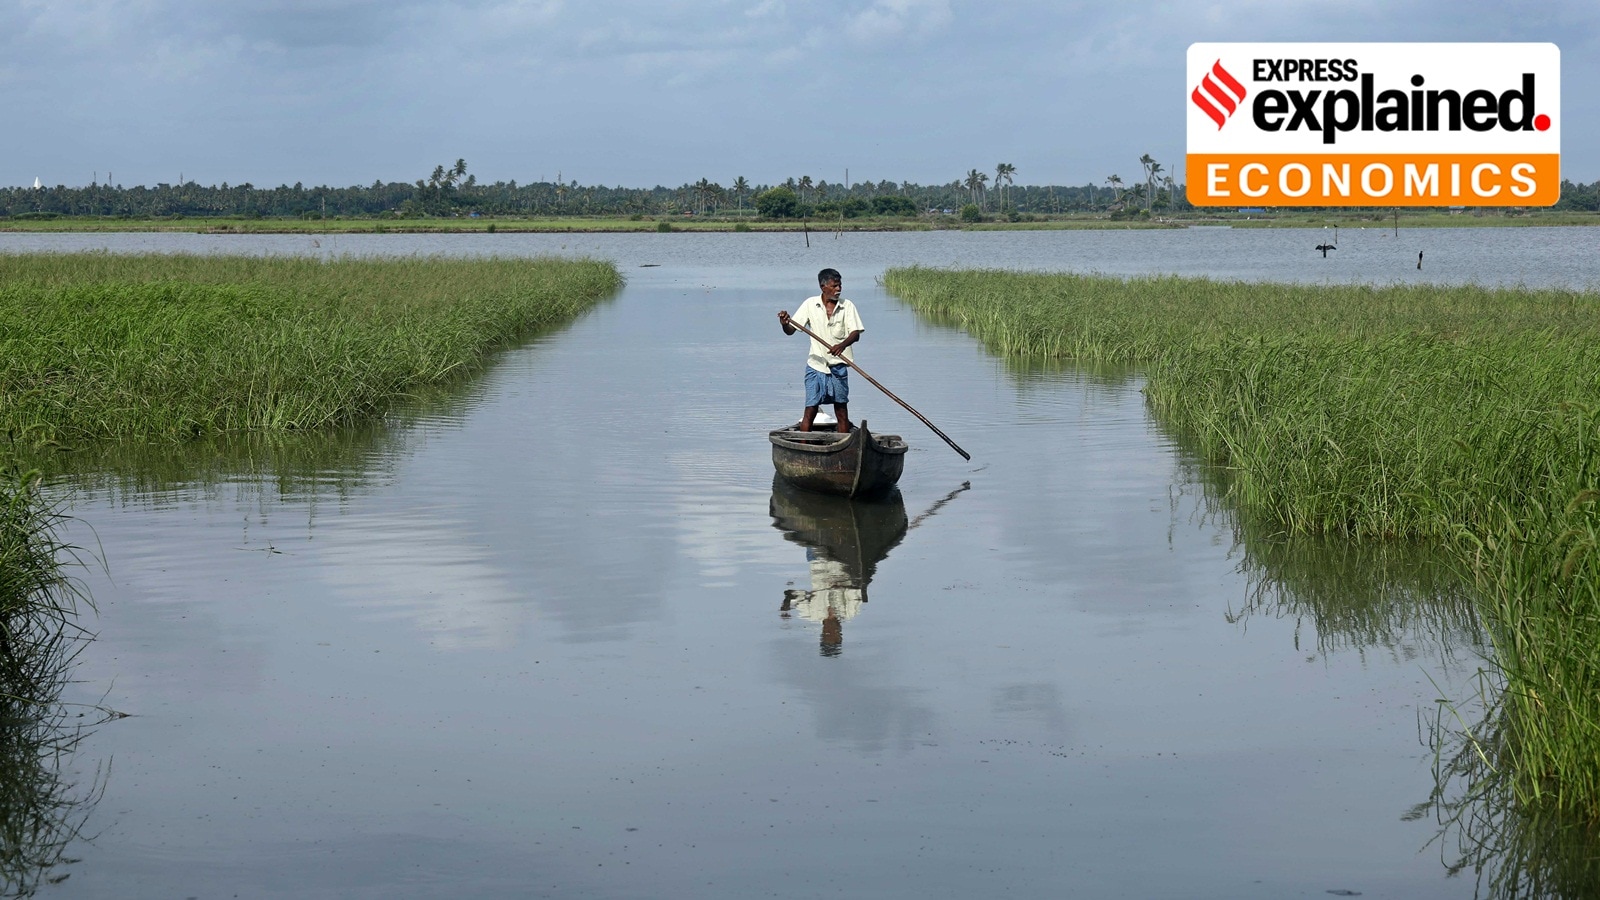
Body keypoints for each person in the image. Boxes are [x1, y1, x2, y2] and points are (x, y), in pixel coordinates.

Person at [777, 268, 863, 433]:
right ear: (823, 287)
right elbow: (790, 330)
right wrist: (784, 323)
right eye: (834, 286)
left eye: (840, 285)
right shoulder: (810, 304)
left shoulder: (847, 306)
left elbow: (855, 334)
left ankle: (843, 444)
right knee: (811, 409)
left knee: (841, 410)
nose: (838, 289)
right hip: (816, 366)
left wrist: (842, 345)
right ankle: (804, 445)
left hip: (838, 367)